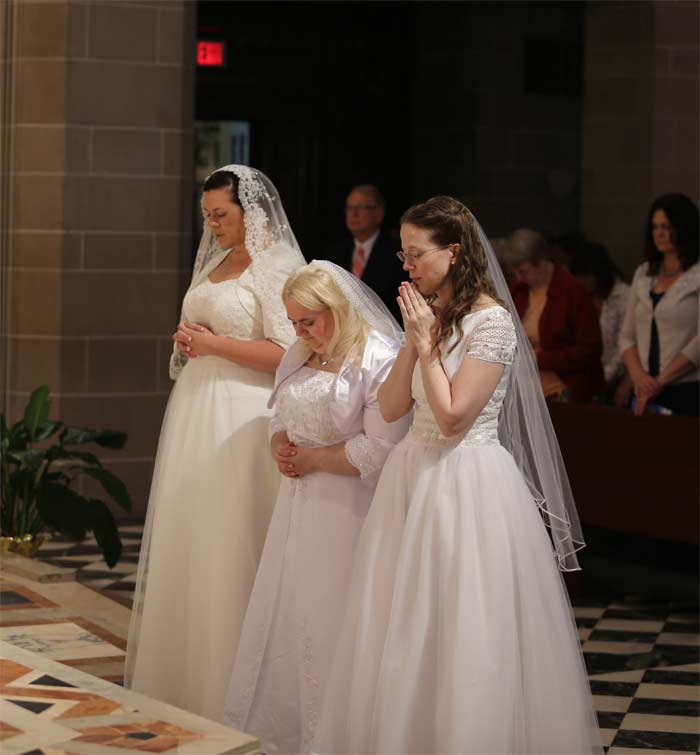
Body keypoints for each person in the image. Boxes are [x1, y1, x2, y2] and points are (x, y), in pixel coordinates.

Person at [314, 196, 601, 755]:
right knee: (402, 620)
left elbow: (450, 419)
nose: (407, 264)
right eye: (403, 252)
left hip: (466, 481)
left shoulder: (491, 322)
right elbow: (396, 408)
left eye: (416, 253)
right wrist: (412, 340)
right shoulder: (430, 315)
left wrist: (424, 345)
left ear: (453, 251)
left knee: (462, 625)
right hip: (411, 479)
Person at [125, 165, 305, 719]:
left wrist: (216, 345)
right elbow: (199, 332)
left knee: (235, 535)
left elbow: (290, 352)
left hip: (244, 415)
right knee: (193, 533)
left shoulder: (281, 267)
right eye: (207, 216)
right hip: (196, 410)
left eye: (221, 215)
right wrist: (187, 342)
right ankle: (186, 671)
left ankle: (240, 685)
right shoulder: (218, 261)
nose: (213, 225)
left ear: (251, 213)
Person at [223, 261, 411, 753]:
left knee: (339, 618)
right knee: (294, 614)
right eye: (293, 322)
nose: (300, 332)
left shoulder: (378, 356)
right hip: (299, 506)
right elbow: (280, 411)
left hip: (350, 509)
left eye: (308, 321)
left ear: (338, 310)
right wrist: (281, 443)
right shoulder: (301, 353)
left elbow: (381, 447)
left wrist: (314, 458)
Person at [619, 193, 699, 416]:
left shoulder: (697, 274)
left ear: (683, 228)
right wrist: (640, 378)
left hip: (685, 388)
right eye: (655, 227)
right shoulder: (644, 273)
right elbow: (626, 336)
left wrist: (660, 381)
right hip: (644, 387)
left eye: (666, 226)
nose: (660, 233)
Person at [507, 228, 604, 402]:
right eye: (516, 272)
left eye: (524, 271)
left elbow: (589, 351)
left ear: (542, 262)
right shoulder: (518, 290)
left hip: (561, 389)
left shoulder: (573, 292)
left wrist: (539, 358)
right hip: (523, 385)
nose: (519, 277)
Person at [325, 184, 405, 320]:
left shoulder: (396, 253)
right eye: (350, 208)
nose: (354, 214)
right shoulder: (335, 252)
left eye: (361, 208)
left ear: (379, 213)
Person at [570, 241, 631, 405]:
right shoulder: (583, 298)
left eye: (586, 277)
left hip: (619, 379)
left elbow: (625, 344)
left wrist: (604, 377)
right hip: (591, 380)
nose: (582, 283)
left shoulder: (625, 297)